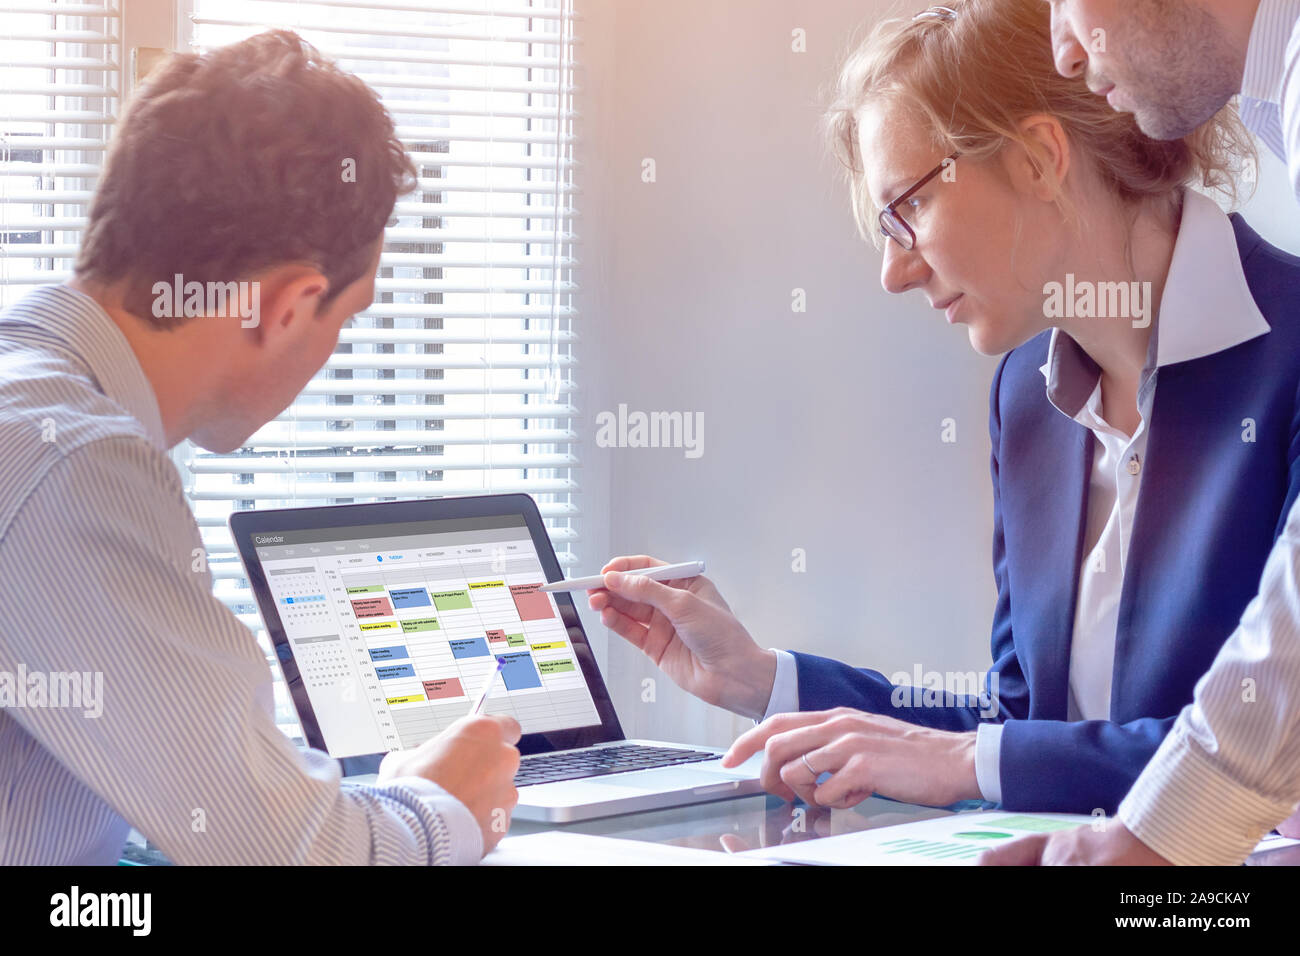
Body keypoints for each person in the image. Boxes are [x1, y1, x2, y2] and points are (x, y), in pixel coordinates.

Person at [587, 0, 1300, 819]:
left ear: (1037, 158)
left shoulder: (1291, 354)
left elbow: (1268, 752)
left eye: (909, 210)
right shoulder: (1028, 394)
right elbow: (1019, 736)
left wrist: (974, 761)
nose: (894, 272)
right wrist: (764, 679)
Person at [0, 30, 520, 865]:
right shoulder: (73, 467)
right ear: (287, 307)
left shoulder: (34, 405)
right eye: (344, 319)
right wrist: (442, 804)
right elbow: (290, 856)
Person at [983, 0, 1300, 866]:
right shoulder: (1025, 390)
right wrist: (767, 679)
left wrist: (1156, 851)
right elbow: (1017, 713)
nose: (1061, 47)